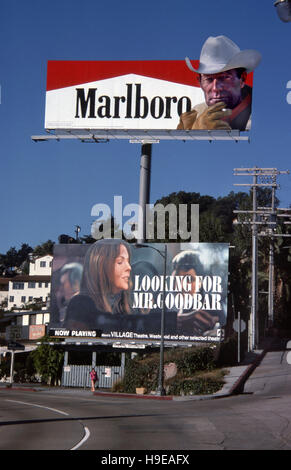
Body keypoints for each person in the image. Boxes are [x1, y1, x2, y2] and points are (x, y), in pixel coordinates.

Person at [177, 35, 261, 131]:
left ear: (242, 79)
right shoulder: (197, 111)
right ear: (199, 82)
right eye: (208, 79)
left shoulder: (255, 113)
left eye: (224, 78)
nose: (215, 88)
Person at [65, 239, 132, 329]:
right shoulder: (80, 304)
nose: (129, 267)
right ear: (101, 265)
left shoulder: (125, 304)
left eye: (128, 261)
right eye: (120, 262)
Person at [172, 250, 219, 336]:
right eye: (178, 279)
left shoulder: (212, 309)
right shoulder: (172, 306)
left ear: (201, 282)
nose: (182, 285)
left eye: (189, 279)